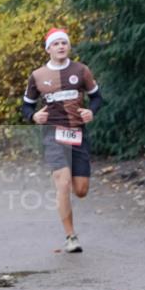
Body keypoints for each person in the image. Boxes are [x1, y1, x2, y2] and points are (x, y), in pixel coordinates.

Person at [21, 28, 103, 253]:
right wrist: (33, 116)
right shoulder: (37, 75)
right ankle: (71, 237)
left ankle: (64, 186)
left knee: (81, 189)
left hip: (78, 133)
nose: (60, 46)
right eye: (55, 44)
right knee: (63, 183)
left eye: (63, 43)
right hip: (53, 135)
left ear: (68, 47)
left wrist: (91, 111)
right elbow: (27, 105)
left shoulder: (81, 70)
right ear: (48, 49)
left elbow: (96, 97)